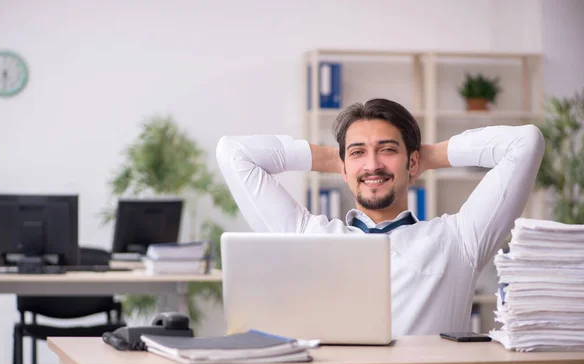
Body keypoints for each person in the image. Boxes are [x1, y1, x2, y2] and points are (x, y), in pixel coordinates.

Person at [216, 98, 545, 336]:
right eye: (358, 152)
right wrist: (339, 160)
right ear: (343, 167)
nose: (372, 164)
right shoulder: (306, 235)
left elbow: (525, 142)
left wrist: (428, 156)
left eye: (388, 149)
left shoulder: (459, 239)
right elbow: (233, 153)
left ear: (412, 163)